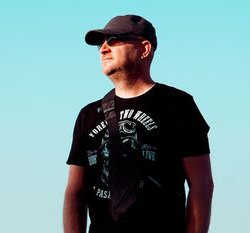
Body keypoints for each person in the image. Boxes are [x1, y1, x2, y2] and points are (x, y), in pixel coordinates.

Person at [63, 15, 214, 233]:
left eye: (114, 40)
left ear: (144, 48)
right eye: (100, 43)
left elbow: (202, 185)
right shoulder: (88, 115)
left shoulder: (177, 105)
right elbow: (75, 192)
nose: (103, 48)